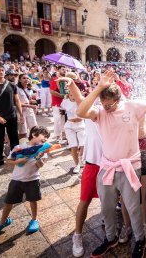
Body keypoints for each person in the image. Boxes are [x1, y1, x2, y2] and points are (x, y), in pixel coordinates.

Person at [76, 69, 146, 258]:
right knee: (106, 207)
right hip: (107, 167)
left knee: (133, 208)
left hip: (130, 166)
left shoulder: (131, 106)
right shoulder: (99, 111)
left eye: (109, 105)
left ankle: (140, 239)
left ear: (118, 99)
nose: (106, 108)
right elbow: (81, 111)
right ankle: (110, 238)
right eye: (103, 104)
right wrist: (99, 87)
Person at [55, 76, 103, 257]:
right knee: (85, 200)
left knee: (110, 200)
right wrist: (71, 82)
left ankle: (110, 226)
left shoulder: (115, 111)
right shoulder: (91, 111)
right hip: (92, 164)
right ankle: (77, 235)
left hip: (110, 165)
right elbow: (79, 99)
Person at [0, 126, 50, 235]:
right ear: (34, 134)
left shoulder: (43, 150)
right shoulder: (19, 147)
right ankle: (2, 222)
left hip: (33, 179)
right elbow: (8, 161)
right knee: (8, 202)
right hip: (17, 179)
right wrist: (18, 161)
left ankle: (34, 220)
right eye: (45, 136)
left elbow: (40, 165)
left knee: (33, 201)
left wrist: (38, 158)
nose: (46, 139)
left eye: (48, 137)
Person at [0, 63, 23, 169]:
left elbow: (17, 100)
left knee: (14, 137)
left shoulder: (11, 85)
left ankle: (15, 155)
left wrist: (21, 114)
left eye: (2, 70)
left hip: (11, 115)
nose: (1, 72)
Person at [60, 83, 85, 174]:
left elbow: (86, 113)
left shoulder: (81, 101)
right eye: (71, 95)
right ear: (69, 94)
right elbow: (62, 111)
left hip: (81, 125)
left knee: (83, 145)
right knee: (73, 146)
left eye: (75, 95)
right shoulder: (65, 101)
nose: (73, 97)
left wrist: (80, 118)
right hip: (69, 126)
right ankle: (77, 164)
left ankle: (83, 160)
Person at [16, 73, 38, 140]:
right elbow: (16, 102)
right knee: (23, 131)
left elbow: (29, 99)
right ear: (19, 80)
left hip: (29, 110)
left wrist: (32, 101)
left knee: (34, 128)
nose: (26, 79)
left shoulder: (30, 89)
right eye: (24, 78)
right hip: (20, 111)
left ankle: (33, 144)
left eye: (28, 78)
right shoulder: (16, 89)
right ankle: (22, 146)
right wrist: (29, 105)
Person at [49, 66, 67, 144]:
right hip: (57, 103)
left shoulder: (66, 80)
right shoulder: (54, 79)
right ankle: (57, 136)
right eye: (63, 69)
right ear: (58, 70)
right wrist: (62, 96)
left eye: (65, 69)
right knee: (57, 120)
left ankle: (63, 136)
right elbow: (52, 91)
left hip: (65, 103)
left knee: (63, 120)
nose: (65, 70)